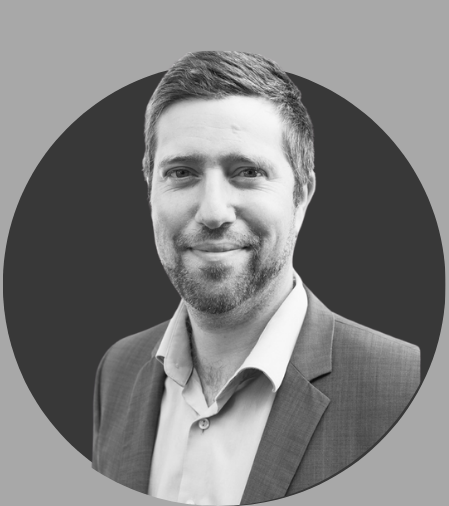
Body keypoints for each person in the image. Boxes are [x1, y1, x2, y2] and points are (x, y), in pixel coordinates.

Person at [92, 51, 420, 505]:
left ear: (301, 195)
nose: (211, 212)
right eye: (181, 173)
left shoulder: (403, 386)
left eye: (247, 172)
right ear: (149, 191)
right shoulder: (117, 371)